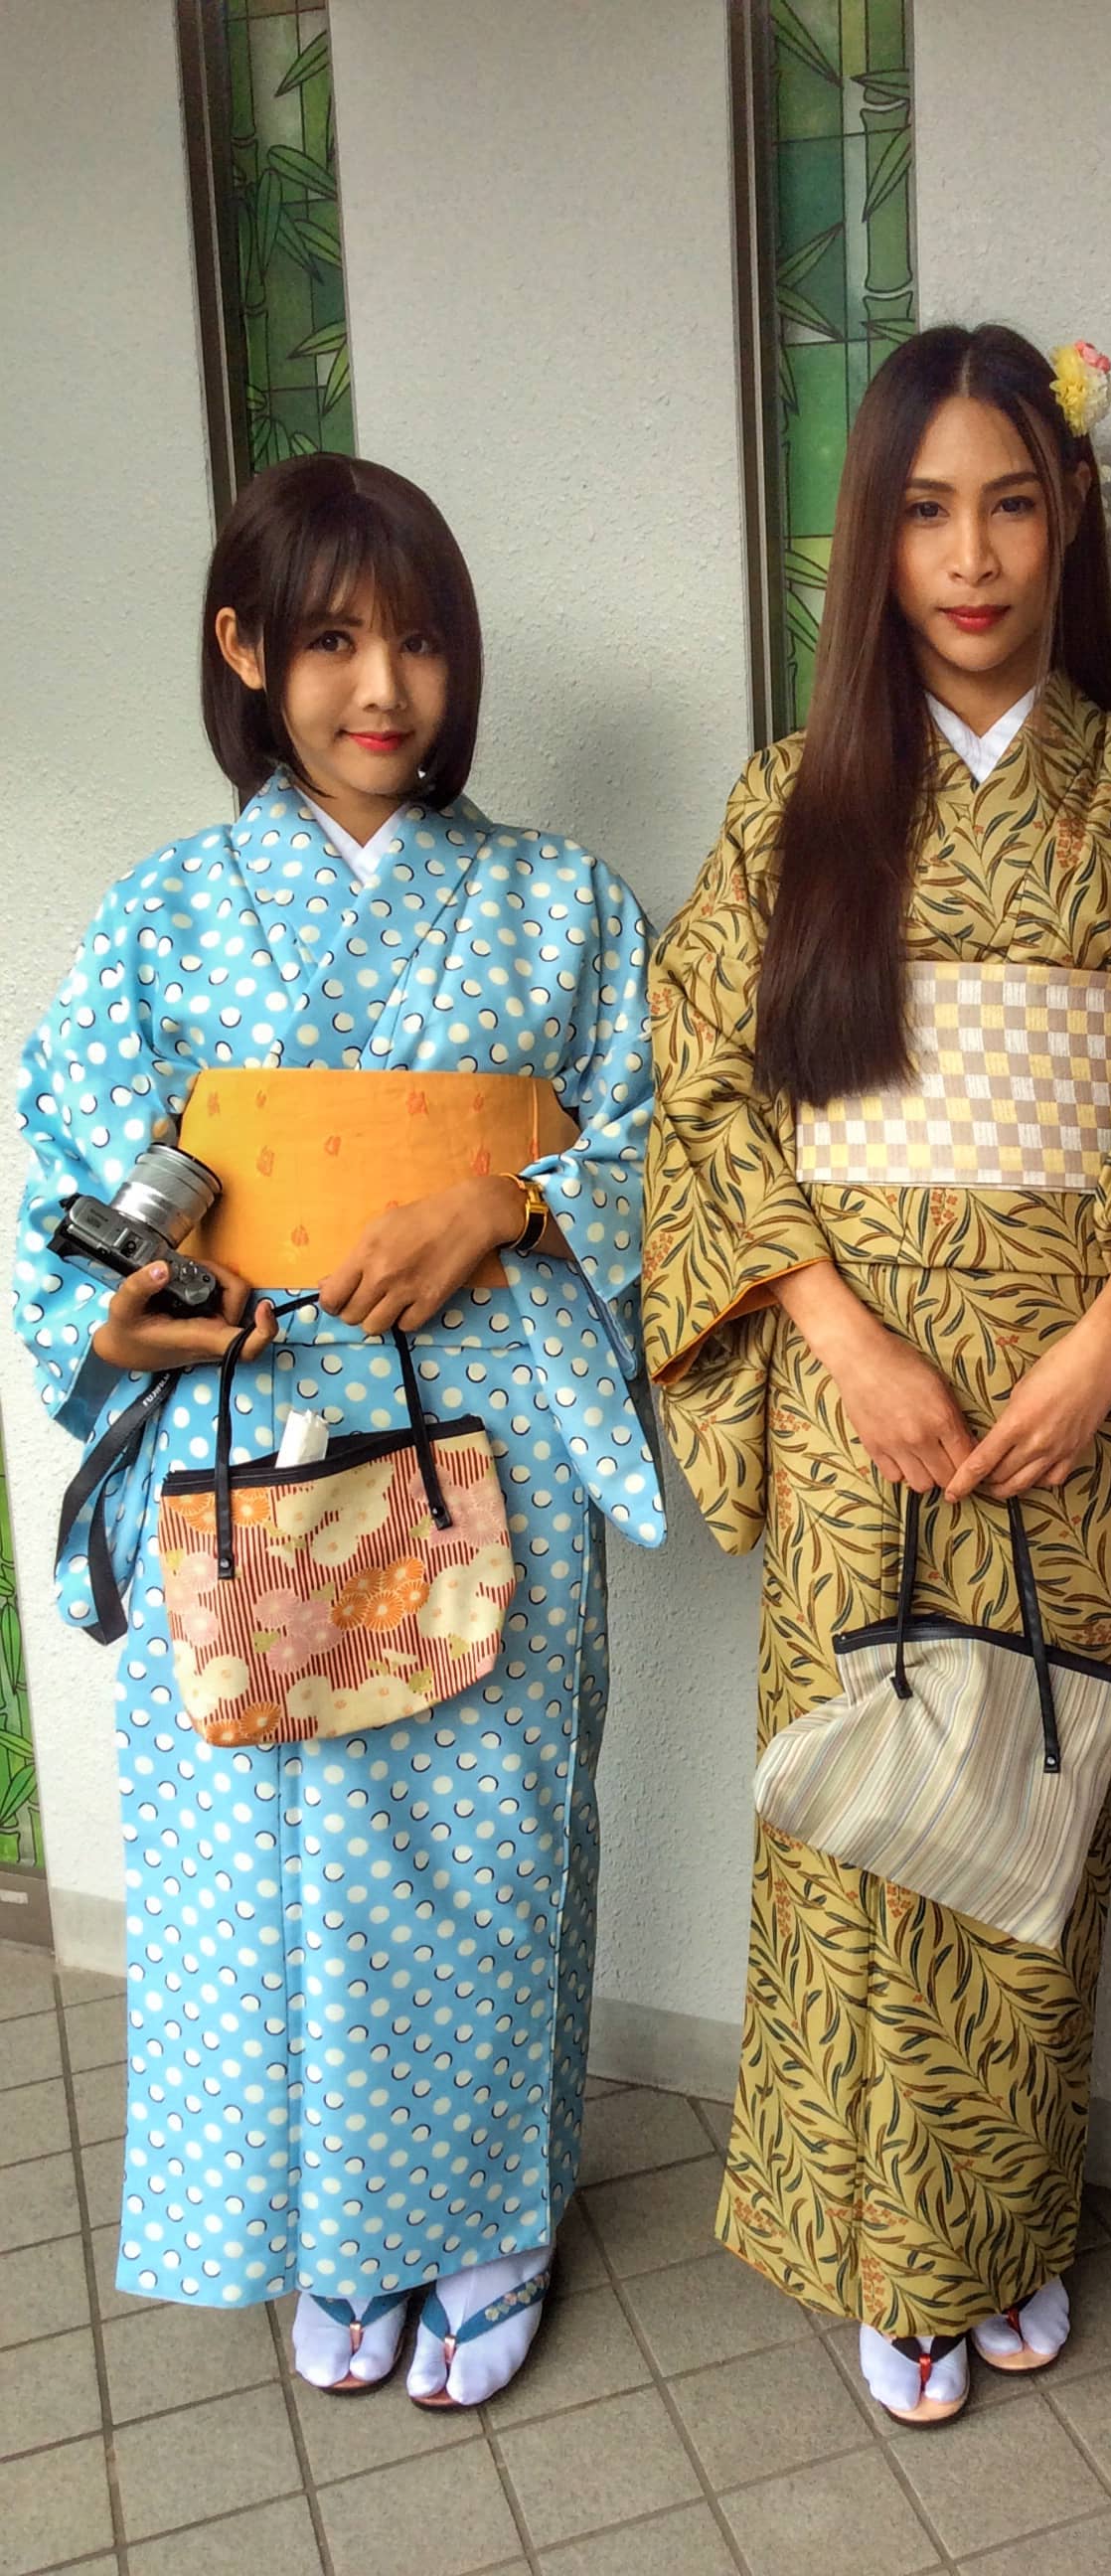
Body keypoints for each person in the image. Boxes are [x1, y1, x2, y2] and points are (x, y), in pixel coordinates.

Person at [644, 324, 1111, 2426]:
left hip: (1067, 1400)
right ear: (870, 543)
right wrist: (835, 1333)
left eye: (1009, 502)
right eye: (922, 512)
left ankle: (1006, 2226)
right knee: (861, 1812)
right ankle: (884, 2253)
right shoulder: (789, 803)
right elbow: (703, 1097)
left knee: (1027, 1794)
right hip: (853, 1397)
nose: (971, 556)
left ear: (1072, 515)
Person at [13, 454, 663, 2408]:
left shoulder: (561, 902)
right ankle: (328, 2226)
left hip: (485, 1422)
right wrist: (114, 1307)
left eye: (420, 642)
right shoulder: (163, 916)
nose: (384, 687)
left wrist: (512, 1200)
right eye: (330, 642)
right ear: (244, 651)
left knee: (484, 1837)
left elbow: (672, 1130)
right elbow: (65, 1170)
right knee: (259, 1852)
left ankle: (486, 2220)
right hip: (246, 1423)